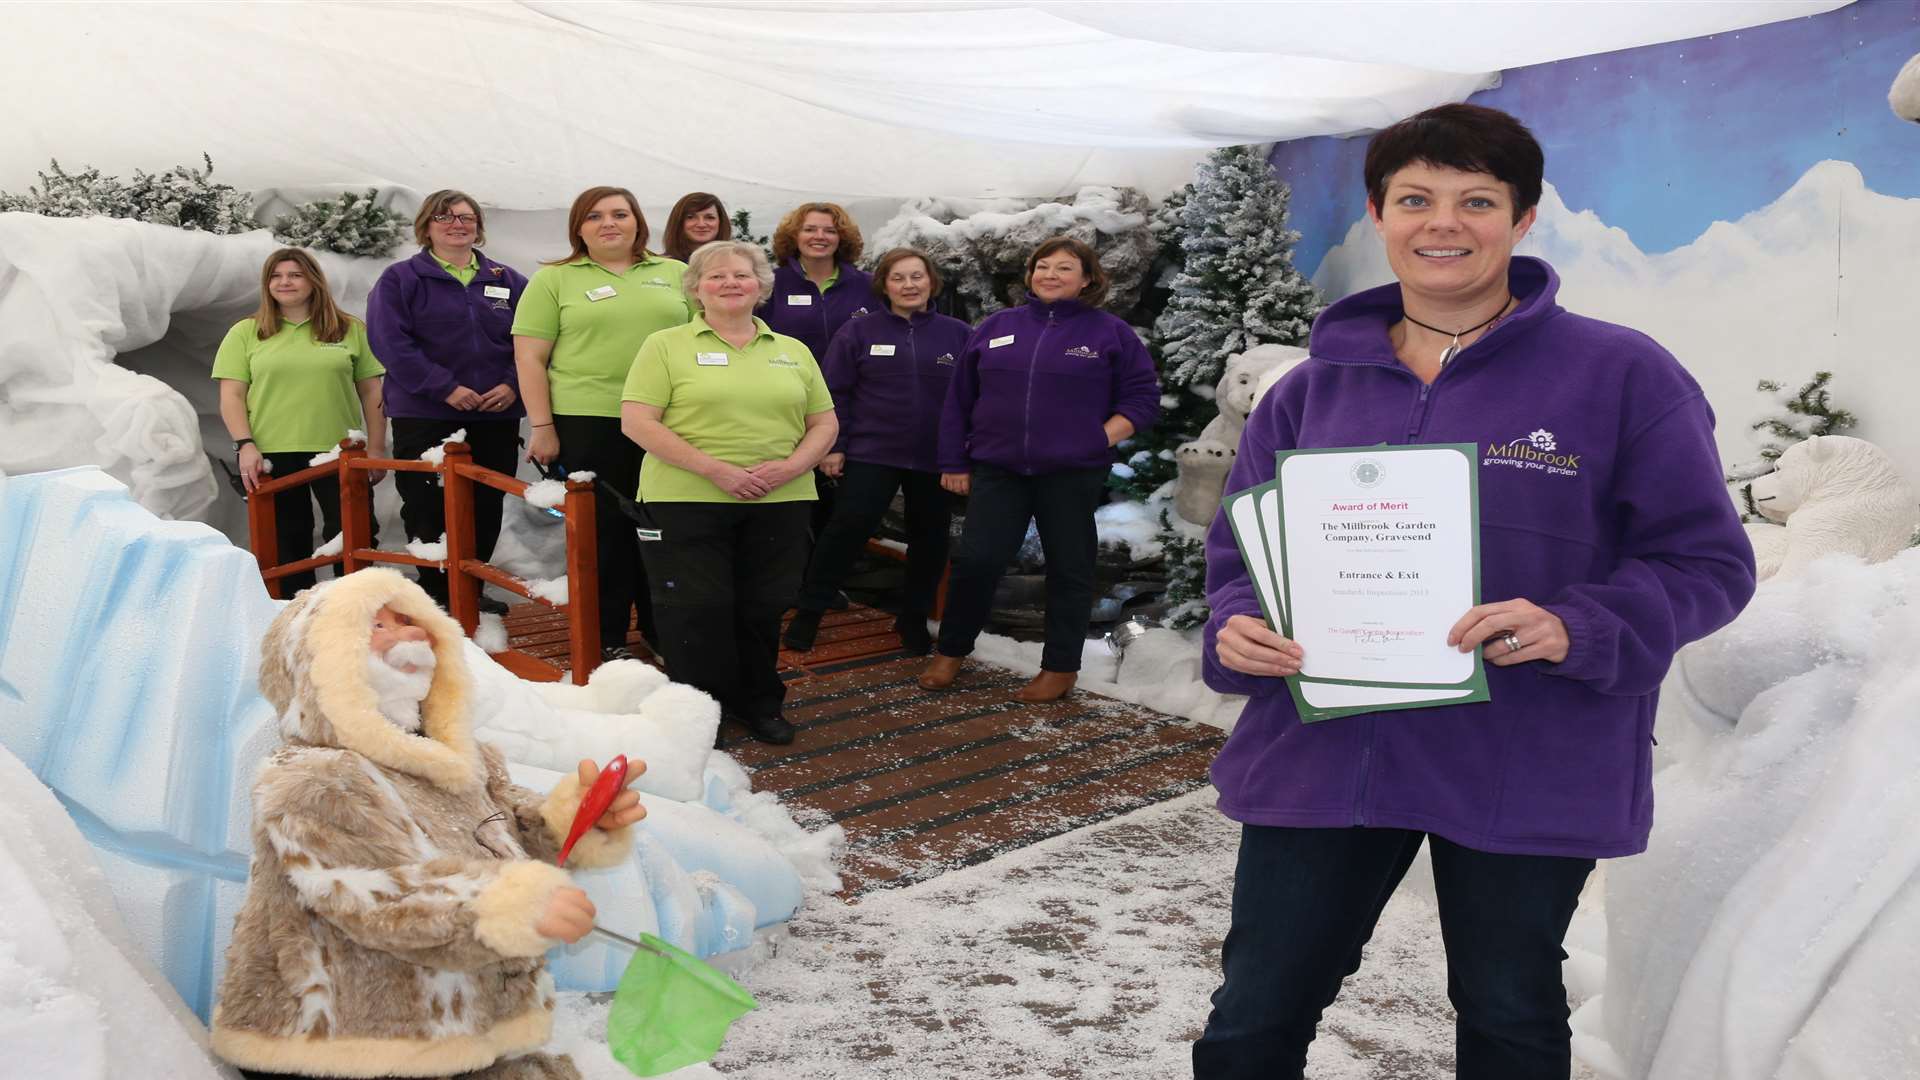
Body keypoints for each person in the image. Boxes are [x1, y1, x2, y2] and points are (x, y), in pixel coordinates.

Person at [1192, 104, 1756, 1080]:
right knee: (1253, 1020)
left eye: (1476, 200)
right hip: (1324, 751)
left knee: (1508, 1019)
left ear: (1523, 218)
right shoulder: (1305, 392)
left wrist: (1579, 623)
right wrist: (1239, 623)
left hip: (1524, 748)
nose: (1442, 223)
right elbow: (1243, 551)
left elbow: (1707, 562)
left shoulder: (1622, 376)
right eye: (1415, 198)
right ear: (1380, 213)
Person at [210, 567, 647, 1080]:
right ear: (321, 662)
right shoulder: (314, 777)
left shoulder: (456, 760)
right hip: (341, 1049)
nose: (413, 632)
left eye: (411, 619)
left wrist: (572, 822)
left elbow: (509, 831)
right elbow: (379, 897)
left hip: (454, 1038)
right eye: (378, 625)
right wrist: (504, 904)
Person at [918, 236, 1159, 703]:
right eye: (1042, 266)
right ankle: (950, 652)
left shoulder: (1110, 333)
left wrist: (1096, 438)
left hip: (1070, 473)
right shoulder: (997, 326)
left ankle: (1061, 667)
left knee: (1070, 568)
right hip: (998, 467)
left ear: (1087, 278)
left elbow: (1142, 399)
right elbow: (960, 400)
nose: (1050, 275)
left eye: (1064, 268)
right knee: (977, 561)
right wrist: (953, 460)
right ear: (1029, 275)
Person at [620, 240, 837, 745]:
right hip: (685, 498)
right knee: (697, 608)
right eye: (716, 276)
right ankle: (700, 712)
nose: (730, 283)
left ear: (761, 285)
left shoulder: (792, 351)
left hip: (780, 500)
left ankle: (759, 702)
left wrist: (791, 467)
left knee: (764, 605)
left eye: (741, 274)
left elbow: (824, 423)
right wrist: (716, 470)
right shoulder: (665, 346)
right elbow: (637, 422)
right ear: (695, 289)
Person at [512, 186, 692, 661]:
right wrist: (543, 426)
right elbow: (530, 357)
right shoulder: (555, 280)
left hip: (668, 421)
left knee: (664, 530)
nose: (608, 223)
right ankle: (606, 635)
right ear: (579, 228)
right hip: (588, 420)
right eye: (594, 216)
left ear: (638, 221)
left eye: (619, 213)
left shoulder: (675, 273)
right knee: (605, 536)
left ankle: (661, 628)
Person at [782, 248, 970, 656]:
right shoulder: (859, 332)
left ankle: (913, 619)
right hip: (871, 452)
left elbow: (970, 398)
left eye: (916, 276)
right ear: (884, 285)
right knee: (846, 529)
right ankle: (810, 611)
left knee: (930, 539)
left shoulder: (957, 334)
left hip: (932, 457)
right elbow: (834, 393)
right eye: (898, 278)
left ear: (931, 282)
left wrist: (961, 455)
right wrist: (835, 446)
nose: (909, 285)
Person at [366, 189, 528, 613]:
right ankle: (436, 597)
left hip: (495, 414)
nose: (457, 224)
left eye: (466, 217)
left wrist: (513, 385)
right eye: (445, 216)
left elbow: (532, 341)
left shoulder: (506, 280)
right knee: (425, 504)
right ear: (426, 226)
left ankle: (470, 589)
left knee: (486, 503)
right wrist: (444, 387)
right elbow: (390, 343)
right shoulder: (401, 280)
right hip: (425, 412)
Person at [214, 247, 386, 594]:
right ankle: (295, 615)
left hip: (340, 451)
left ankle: (356, 609)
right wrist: (245, 445)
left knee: (354, 535)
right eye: (276, 276)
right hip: (271, 453)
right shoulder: (246, 333)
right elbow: (231, 396)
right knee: (286, 542)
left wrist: (378, 447)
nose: (285, 282)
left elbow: (373, 393)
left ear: (313, 280)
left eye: (294, 274)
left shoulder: (348, 329)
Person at [761, 201, 875, 360]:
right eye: (809, 230)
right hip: (792, 381)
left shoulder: (869, 285)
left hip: (854, 383)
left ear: (841, 237)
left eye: (830, 231)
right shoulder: (770, 284)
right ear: (794, 236)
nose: (820, 236)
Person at [660, 191, 733, 263]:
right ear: (679, 222)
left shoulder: (736, 262)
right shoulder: (664, 265)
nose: (701, 224)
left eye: (709, 217)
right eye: (691, 217)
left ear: (721, 222)